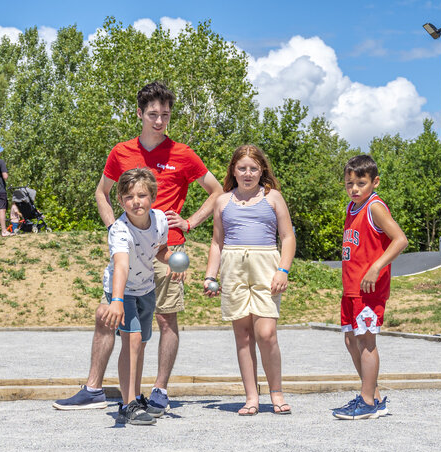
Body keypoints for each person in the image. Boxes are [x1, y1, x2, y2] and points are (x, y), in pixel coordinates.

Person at [54, 81, 223, 414]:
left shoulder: (183, 154)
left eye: (165, 115)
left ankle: (159, 389)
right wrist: (115, 229)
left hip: (165, 250)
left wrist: (188, 223)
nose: (159, 121)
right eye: (152, 114)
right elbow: (102, 192)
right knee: (109, 317)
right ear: (140, 114)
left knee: (165, 321)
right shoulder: (122, 151)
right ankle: (93, 388)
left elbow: (217, 191)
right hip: (127, 251)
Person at [203, 145, 296, 416]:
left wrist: (283, 270)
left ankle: (276, 392)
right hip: (233, 267)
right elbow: (217, 242)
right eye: (242, 168)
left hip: (266, 265)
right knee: (243, 336)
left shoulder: (273, 197)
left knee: (265, 333)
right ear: (234, 170)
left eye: (253, 168)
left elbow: (288, 237)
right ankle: (251, 397)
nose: (248, 173)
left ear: (262, 170)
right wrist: (211, 275)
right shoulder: (223, 201)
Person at [95, 168, 177, 424]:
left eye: (142, 195)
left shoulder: (160, 220)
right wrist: (117, 301)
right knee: (132, 341)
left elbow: (159, 249)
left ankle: (136, 396)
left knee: (139, 344)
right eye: (129, 197)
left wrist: (172, 260)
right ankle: (127, 404)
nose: (136, 202)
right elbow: (121, 265)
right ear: (120, 201)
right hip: (122, 291)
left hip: (145, 287)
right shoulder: (119, 230)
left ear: (152, 196)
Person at [333, 155, 408, 420]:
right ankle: (374, 397)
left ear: (374, 182)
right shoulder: (352, 207)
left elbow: (400, 239)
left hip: (369, 288)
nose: (354, 189)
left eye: (361, 183)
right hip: (352, 287)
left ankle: (365, 402)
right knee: (351, 339)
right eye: (349, 183)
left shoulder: (374, 207)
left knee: (366, 341)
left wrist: (376, 267)